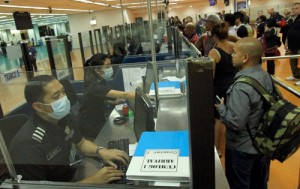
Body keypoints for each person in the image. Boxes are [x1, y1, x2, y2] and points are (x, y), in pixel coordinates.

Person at [9, 75, 129, 183]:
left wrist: (101, 151)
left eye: (63, 92)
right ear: (39, 107)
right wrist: (92, 182)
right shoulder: (27, 145)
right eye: (56, 96)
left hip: (68, 176)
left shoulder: (63, 118)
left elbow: (81, 142)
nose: (64, 98)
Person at [215, 37, 272, 189]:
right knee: (259, 183)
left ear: (245, 57)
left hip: (241, 149)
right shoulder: (265, 76)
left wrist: (221, 108)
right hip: (262, 144)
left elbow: (235, 122)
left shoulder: (241, 87)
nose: (231, 55)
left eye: (234, 53)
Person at [80, 53, 135, 138]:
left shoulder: (100, 80)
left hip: (99, 118)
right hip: (91, 126)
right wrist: (146, 95)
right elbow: (125, 94)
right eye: (107, 66)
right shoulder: (94, 86)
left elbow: (96, 99)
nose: (111, 68)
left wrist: (111, 101)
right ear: (97, 70)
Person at [208, 22, 237, 157]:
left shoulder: (214, 52)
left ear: (214, 37)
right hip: (235, 85)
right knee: (233, 114)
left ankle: (217, 149)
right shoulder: (235, 47)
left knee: (218, 118)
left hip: (220, 88)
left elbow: (211, 76)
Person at [286, 3, 300, 85]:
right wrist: (286, 42)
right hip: (292, 44)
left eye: (296, 8)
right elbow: (290, 31)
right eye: (293, 8)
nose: (294, 10)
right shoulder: (293, 18)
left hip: (299, 44)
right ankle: (296, 75)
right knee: (292, 61)